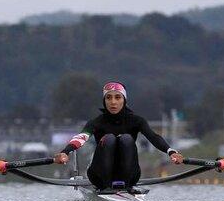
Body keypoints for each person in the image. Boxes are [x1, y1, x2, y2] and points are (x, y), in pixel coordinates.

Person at [54, 81, 184, 192]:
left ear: (124, 100)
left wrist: (171, 152)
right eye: (108, 98)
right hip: (98, 176)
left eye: (117, 97)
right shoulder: (96, 122)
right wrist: (65, 152)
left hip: (131, 176)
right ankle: (106, 186)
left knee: (126, 139)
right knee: (109, 138)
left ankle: (126, 185)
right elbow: (80, 138)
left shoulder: (137, 121)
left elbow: (154, 137)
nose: (113, 102)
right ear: (104, 101)